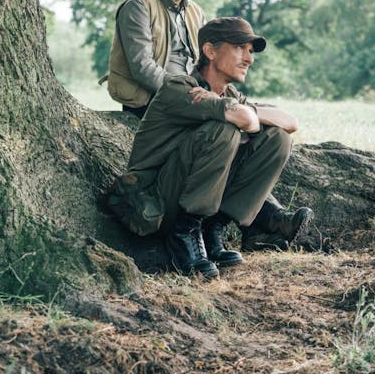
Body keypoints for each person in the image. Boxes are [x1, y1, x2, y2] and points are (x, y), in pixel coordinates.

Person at [124, 17, 313, 278]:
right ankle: (184, 236)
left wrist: (245, 109)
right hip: (155, 200)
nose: (249, 59)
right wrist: (241, 113)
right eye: (239, 48)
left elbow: (290, 123)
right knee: (222, 130)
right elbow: (245, 120)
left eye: (250, 51)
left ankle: (213, 228)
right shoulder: (180, 87)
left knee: (277, 139)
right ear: (210, 51)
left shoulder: (229, 95)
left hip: (188, 193)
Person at [103, 0, 207, 118]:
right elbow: (142, 67)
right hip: (152, 103)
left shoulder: (196, 12)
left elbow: (206, 63)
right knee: (224, 126)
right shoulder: (138, 6)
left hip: (193, 98)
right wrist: (185, 93)